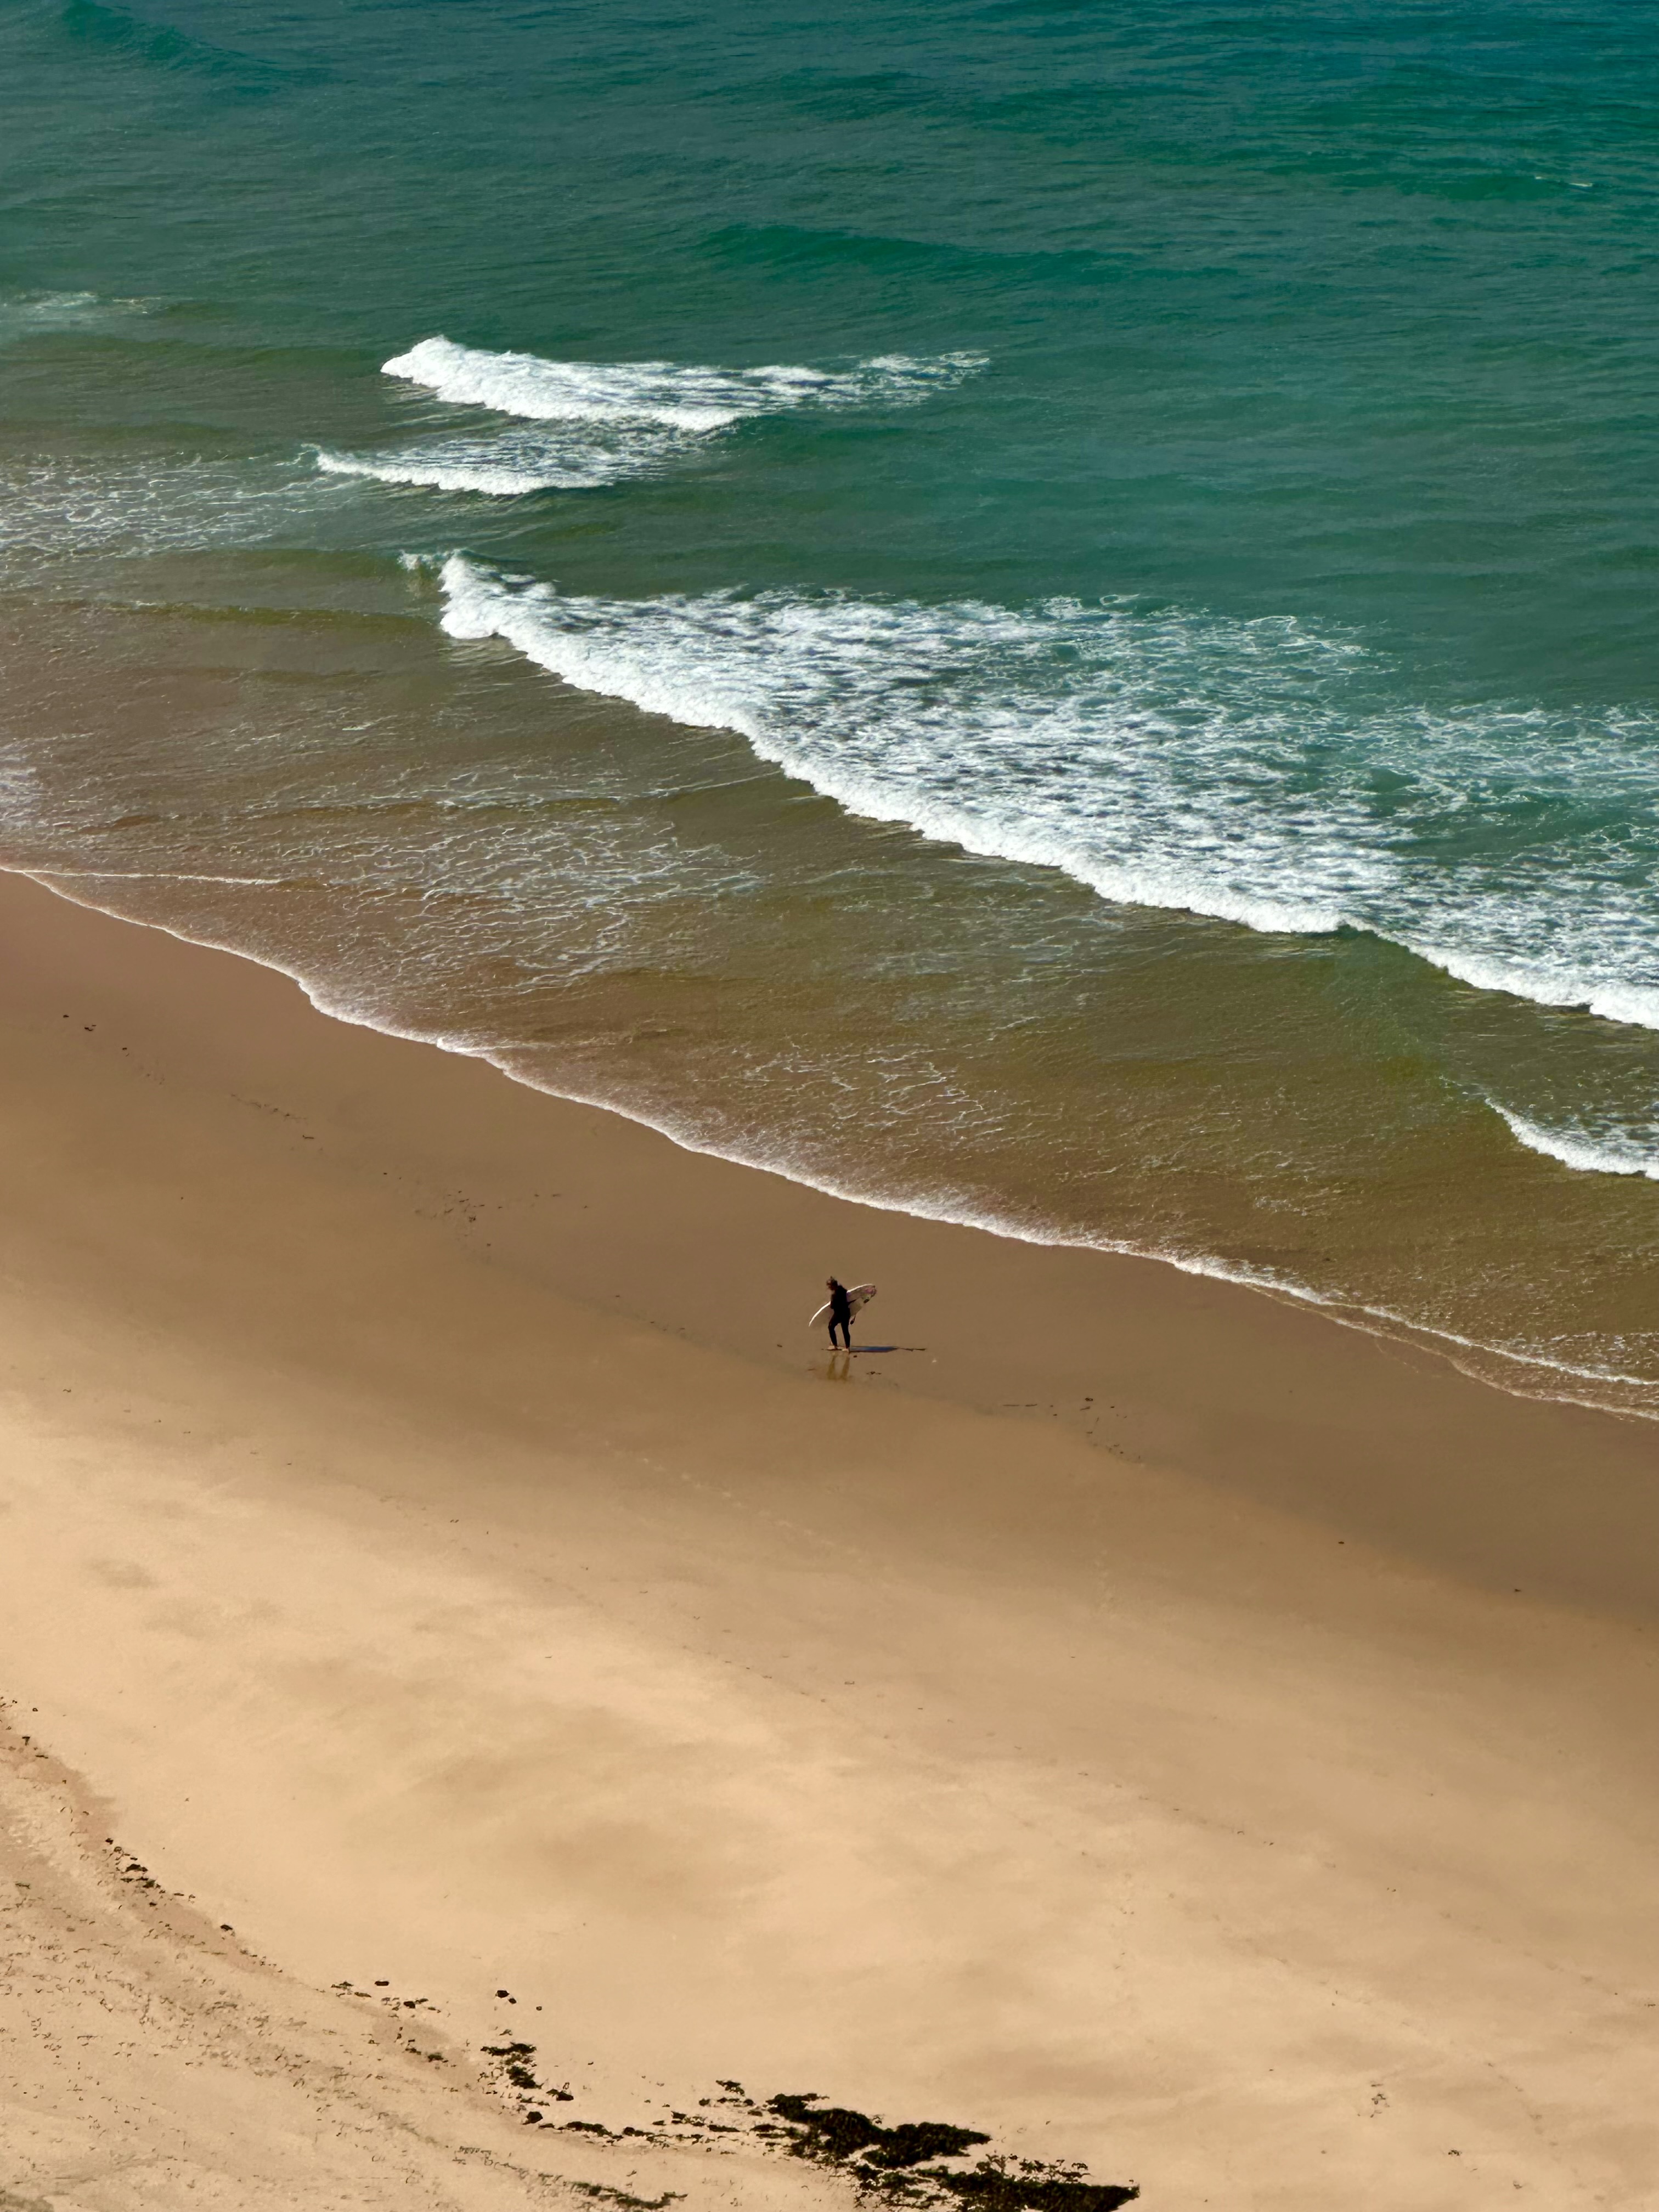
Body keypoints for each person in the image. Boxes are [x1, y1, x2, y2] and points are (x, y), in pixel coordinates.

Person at [825, 1276, 853, 1351]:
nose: (829, 1288)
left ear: (832, 1286)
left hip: (839, 1314)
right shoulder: (844, 1291)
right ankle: (847, 1347)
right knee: (845, 1329)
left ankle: (835, 1346)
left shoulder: (834, 1295)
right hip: (847, 1313)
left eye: (829, 1286)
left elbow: (832, 1306)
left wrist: (831, 1304)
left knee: (831, 1327)